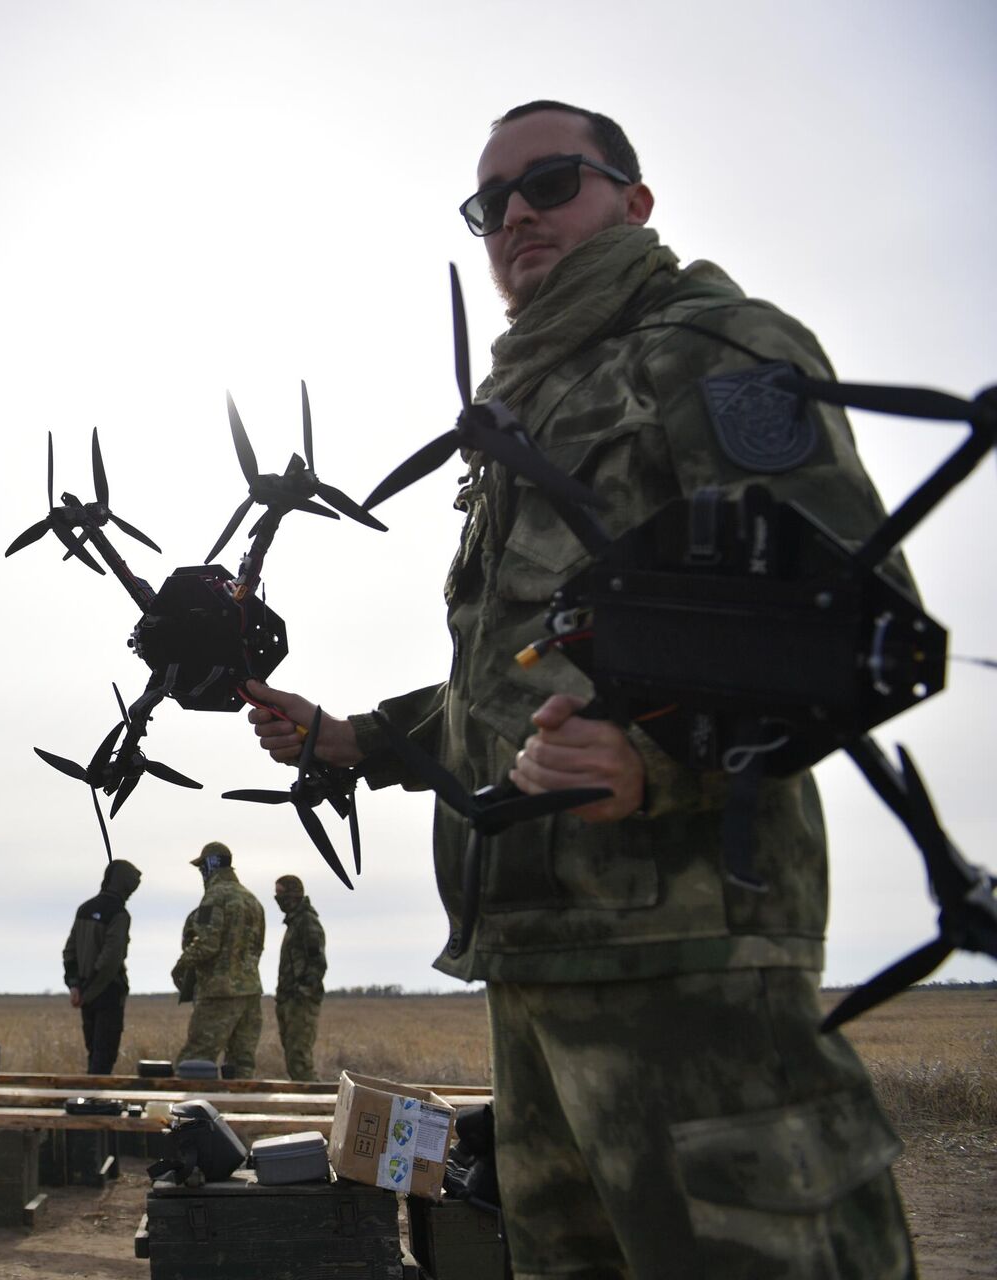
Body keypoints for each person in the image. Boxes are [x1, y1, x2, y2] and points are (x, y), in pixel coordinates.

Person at [247, 101, 913, 1278]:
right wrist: (349, 734)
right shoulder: (524, 412)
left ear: (634, 202)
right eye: (488, 202)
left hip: (686, 963)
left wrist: (656, 759)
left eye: (550, 182)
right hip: (535, 962)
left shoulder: (711, 346)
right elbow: (503, 684)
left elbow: (852, 621)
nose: (514, 215)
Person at [171, 842, 265, 1078]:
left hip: (219, 993)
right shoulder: (253, 900)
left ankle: (189, 1114)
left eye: (202, 867)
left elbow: (207, 944)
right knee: (241, 1066)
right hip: (251, 992)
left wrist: (181, 965)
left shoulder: (214, 898)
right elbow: (258, 948)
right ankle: (241, 1112)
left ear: (211, 865)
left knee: (194, 1062)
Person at [62, 858, 142, 1074]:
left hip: (85, 994)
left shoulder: (84, 909)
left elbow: (69, 952)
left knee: (94, 1053)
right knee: (104, 1057)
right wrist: (87, 989)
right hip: (108, 993)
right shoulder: (119, 914)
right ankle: (96, 1103)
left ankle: (90, 1098)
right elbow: (111, 958)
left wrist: (75, 986)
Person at [272, 874, 326, 1081]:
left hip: (301, 1002)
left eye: (281, 894)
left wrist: (302, 992)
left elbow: (317, 963)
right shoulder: (295, 922)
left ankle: (318, 1106)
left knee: (300, 1060)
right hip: (289, 1000)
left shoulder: (307, 923)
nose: (277, 899)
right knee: (293, 1058)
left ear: (293, 895)